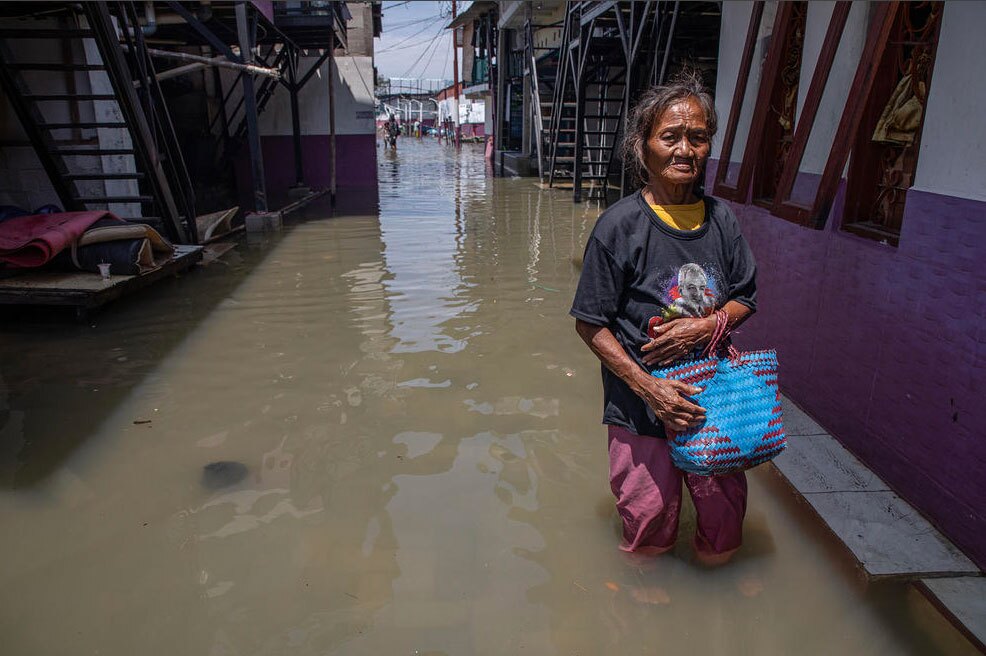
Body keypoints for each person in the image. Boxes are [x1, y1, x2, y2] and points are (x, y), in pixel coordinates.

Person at [570, 71, 758, 565]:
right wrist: (650, 387)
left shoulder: (722, 220)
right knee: (649, 524)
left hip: (713, 402)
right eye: (670, 136)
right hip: (640, 407)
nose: (684, 150)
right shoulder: (619, 226)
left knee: (724, 522)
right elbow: (590, 323)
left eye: (697, 137)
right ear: (643, 146)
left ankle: (724, 596)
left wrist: (708, 325)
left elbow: (746, 296)